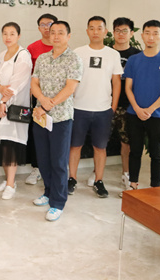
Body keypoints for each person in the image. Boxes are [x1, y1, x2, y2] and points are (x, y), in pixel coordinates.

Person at [31, 21, 82, 221]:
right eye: (53, 32)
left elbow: (70, 88)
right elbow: (34, 83)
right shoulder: (42, 58)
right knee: (43, 159)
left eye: (61, 32)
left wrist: (47, 105)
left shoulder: (74, 59)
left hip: (61, 117)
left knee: (59, 161)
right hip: (41, 117)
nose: (56, 36)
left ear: (68, 36)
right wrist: (41, 100)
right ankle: (48, 192)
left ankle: (58, 203)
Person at [123, 20, 160, 194]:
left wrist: (150, 109)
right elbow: (128, 88)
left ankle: (155, 188)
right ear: (142, 36)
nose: (151, 37)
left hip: (157, 115)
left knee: (156, 153)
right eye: (147, 33)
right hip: (134, 113)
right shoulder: (133, 60)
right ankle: (133, 185)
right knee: (135, 151)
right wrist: (137, 108)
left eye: (155, 33)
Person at [68, 16, 122, 198]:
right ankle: (72, 179)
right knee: (75, 146)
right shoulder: (78, 52)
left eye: (99, 28)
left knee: (100, 147)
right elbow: (71, 79)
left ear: (105, 31)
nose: (95, 32)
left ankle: (99, 181)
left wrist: (113, 107)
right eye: (91, 28)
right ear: (87, 31)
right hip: (79, 107)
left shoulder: (113, 54)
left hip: (103, 110)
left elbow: (116, 82)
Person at [0, 22, 32, 200]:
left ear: (19, 36)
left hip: (14, 107)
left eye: (12, 33)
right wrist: (0, 89)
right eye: (5, 33)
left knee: (11, 145)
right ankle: (8, 180)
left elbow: (17, 84)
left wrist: (4, 102)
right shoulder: (0, 55)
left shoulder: (23, 56)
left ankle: (10, 184)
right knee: (2, 144)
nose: (8, 37)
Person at [25, 13, 57, 185]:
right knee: (37, 134)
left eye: (50, 24)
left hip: (58, 99)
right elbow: (29, 75)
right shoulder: (32, 48)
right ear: (38, 28)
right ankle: (36, 168)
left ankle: (55, 168)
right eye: (43, 24)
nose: (46, 28)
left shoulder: (62, 47)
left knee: (56, 134)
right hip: (37, 98)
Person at [111, 17, 141, 190]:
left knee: (126, 142)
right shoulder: (107, 52)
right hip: (106, 103)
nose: (121, 34)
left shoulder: (138, 55)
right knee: (99, 141)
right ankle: (96, 173)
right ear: (113, 32)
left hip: (129, 105)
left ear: (131, 33)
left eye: (125, 31)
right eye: (117, 30)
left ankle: (126, 174)